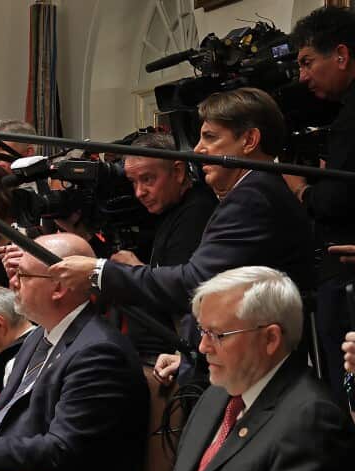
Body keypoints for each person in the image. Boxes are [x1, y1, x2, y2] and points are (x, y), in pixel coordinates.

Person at [137, 267, 355, 471]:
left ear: (270, 338)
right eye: (201, 331)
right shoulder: (217, 394)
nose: (202, 346)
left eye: (217, 334)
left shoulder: (311, 418)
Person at [49, 88, 316, 346]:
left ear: (249, 141)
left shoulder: (252, 195)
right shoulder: (256, 189)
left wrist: (100, 271)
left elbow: (195, 283)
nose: (198, 149)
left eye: (210, 137)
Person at [0, 233, 149, 471]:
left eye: (22, 275)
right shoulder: (40, 335)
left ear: (58, 288)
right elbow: (0, 420)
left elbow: (62, 450)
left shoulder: (99, 352)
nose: (12, 283)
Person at [289, 6, 355, 402]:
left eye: (307, 62)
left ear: (342, 55)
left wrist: (299, 188)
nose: (302, 76)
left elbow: (335, 200)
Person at [113, 133, 218, 361]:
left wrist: (135, 271)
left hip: (181, 356)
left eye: (148, 179)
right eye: (133, 182)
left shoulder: (197, 211)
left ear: (178, 172)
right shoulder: (166, 209)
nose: (139, 192)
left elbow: (185, 295)